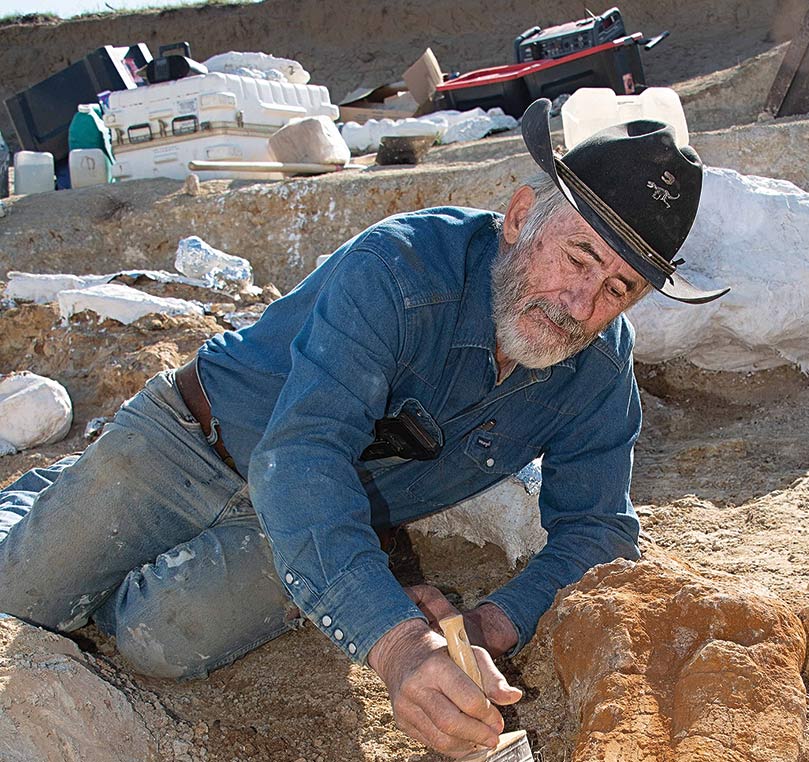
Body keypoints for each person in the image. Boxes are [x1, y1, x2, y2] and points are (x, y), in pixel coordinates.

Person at [0, 98, 728, 758]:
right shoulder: (401, 268)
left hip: (309, 512)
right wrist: (399, 642)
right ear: (518, 219)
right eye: (579, 256)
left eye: (618, 288)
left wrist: (492, 625)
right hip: (193, 439)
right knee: (23, 604)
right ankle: (47, 499)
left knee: (155, 640)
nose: (579, 303)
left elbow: (598, 530)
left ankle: (119, 556)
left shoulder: (598, 368)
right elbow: (305, 453)